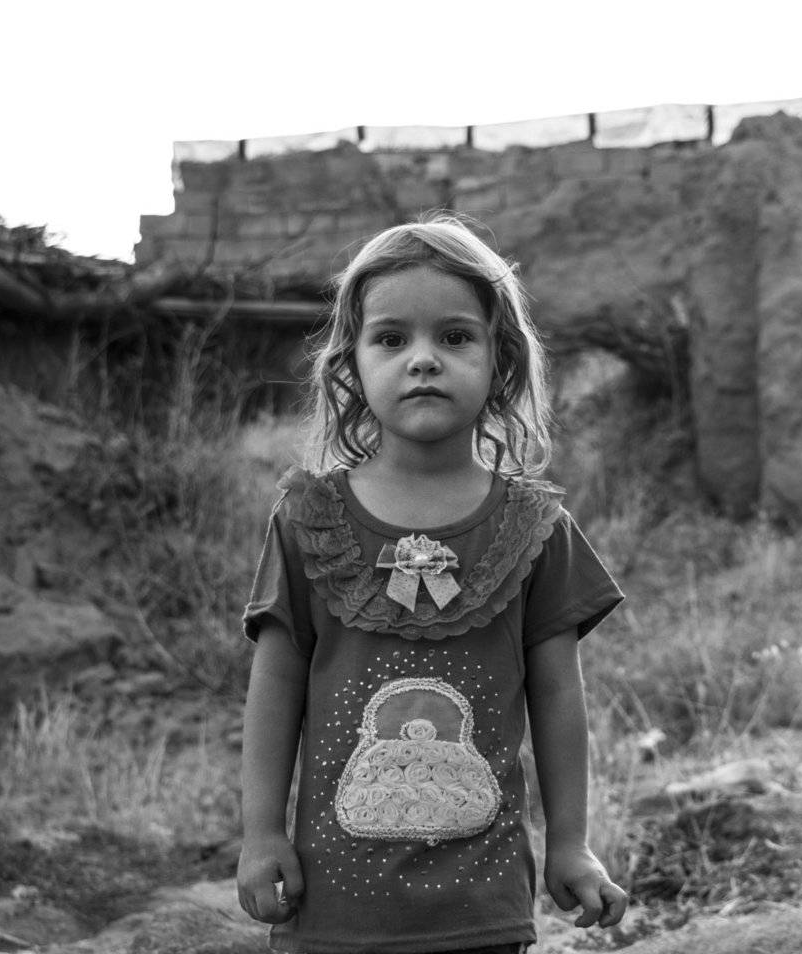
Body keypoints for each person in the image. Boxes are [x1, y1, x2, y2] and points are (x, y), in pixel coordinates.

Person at [236, 215, 628, 954]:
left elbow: (557, 694)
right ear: (350, 364)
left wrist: (571, 844)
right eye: (391, 339)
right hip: (333, 914)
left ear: (500, 359)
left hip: (482, 913)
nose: (423, 360)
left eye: (454, 337)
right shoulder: (307, 521)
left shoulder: (534, 528)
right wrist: (261, 834)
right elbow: (276, 681)